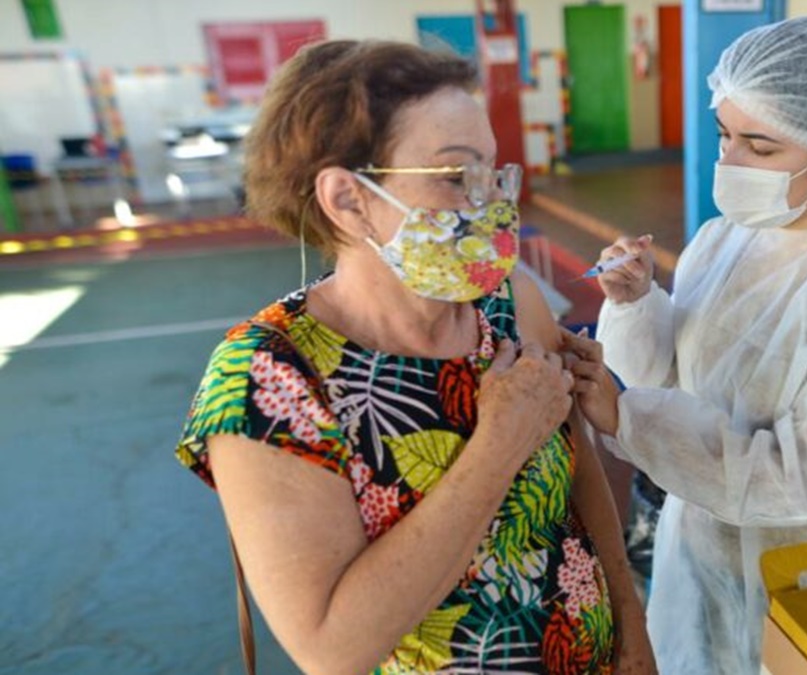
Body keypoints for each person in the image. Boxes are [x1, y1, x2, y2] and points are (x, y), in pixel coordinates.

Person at [174, 40, 654, 675]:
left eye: (492, 171)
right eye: (457, 177)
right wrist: (500, 444)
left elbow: (579, 474)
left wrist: (629, 619)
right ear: (348, 199)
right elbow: (332, 648)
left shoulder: (507, 302)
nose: (490, 202)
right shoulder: (267, 378)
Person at [560, 17, 807, 675]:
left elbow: (795, 480)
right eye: (725, 136)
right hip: (696, 536)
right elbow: (667, 379)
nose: (731, 162)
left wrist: (627, 416)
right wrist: (635, 306)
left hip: (805, 558)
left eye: (761, 147)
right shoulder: (725, 239)